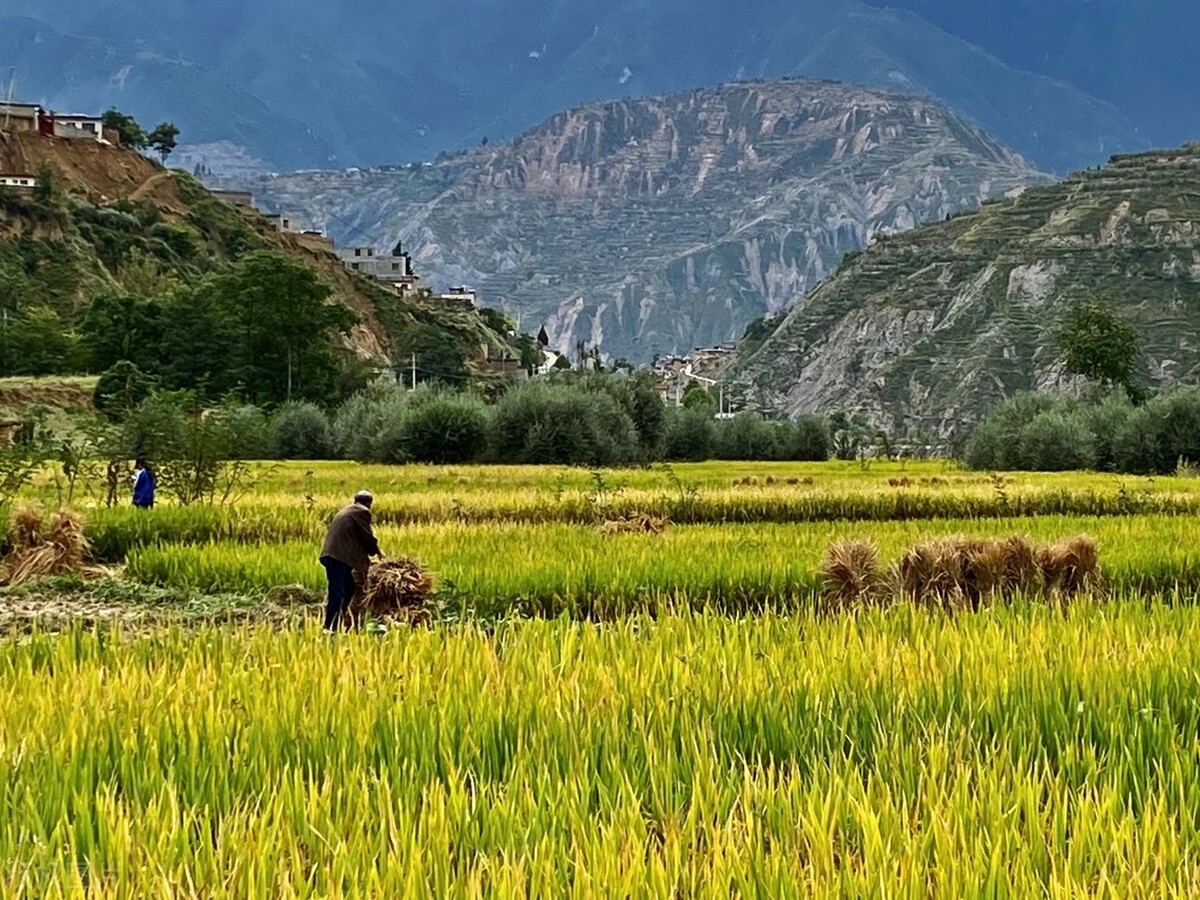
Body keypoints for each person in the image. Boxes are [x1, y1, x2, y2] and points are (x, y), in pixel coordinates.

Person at [319, 490, 382, 630]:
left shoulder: (347, 511)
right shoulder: (362, 512)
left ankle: (338, 619)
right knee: (337, 591)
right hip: (339, 557)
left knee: (349, 587)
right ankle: (329, 627)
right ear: (369, 503)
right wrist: (376, 552)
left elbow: (355, 537)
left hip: (332, 555)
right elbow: (366, 536)